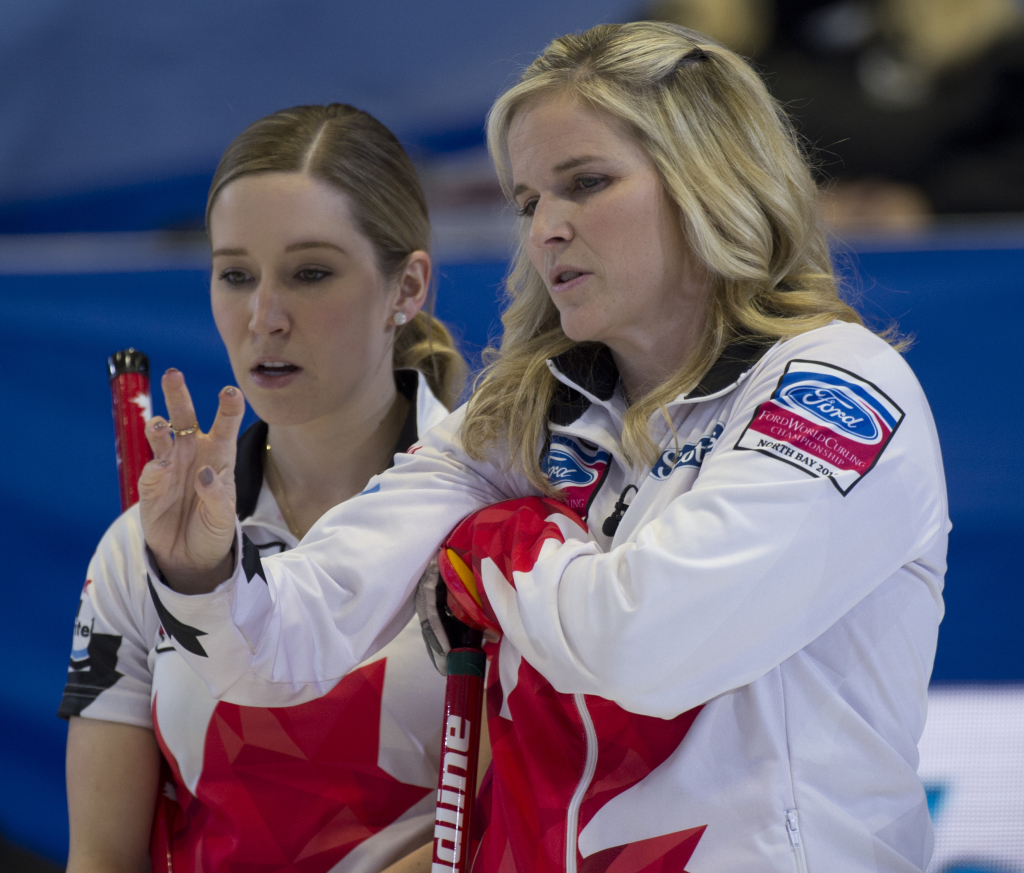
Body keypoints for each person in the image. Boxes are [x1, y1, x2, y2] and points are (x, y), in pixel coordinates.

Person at [138, 23, 949, 872]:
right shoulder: (529, 410)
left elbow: (649, 644)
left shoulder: (836, 385)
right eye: (528, 201)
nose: (547, 229)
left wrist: (501, 540)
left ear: (708, 177)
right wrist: (205, 571)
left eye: (586, 183)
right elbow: (289, 643)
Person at [60, 104, 467, 873]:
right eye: (236, 274)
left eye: (311, 273)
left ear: (407, 286)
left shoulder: (507, 522)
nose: (264, 317)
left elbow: (533, 824)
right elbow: (103, 856)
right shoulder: (142, 550)